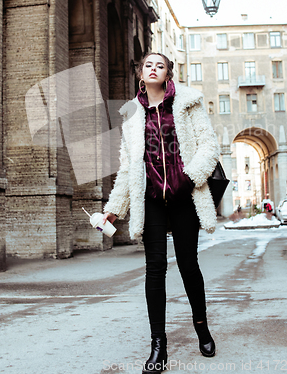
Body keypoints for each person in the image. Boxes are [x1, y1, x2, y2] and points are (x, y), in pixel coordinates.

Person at [103, 52, 220, 373]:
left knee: (188, 264)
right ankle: (158, 346)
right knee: (155, 269)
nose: (154, 68)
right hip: (151, 199)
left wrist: (188, 178)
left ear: (168, 73)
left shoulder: (188, 102)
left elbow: (209, 146)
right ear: (140, 73)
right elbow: (128, 167)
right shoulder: (130, 114)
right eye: (148, 65)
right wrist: (114, 210)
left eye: (161, 65)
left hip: (185, 195)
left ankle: (201, 327)